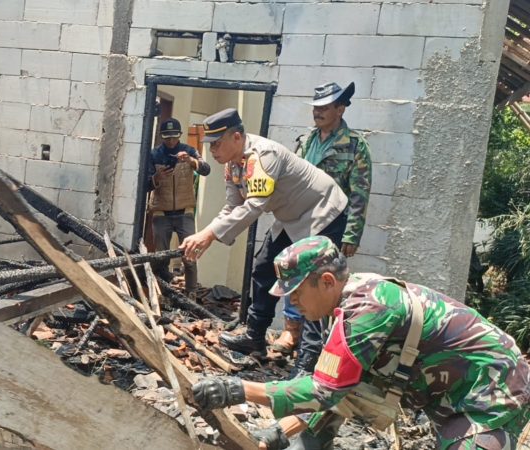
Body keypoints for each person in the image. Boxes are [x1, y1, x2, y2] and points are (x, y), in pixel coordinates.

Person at [192, 236, 530, 450]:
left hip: (490, 393)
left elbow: (324, 392)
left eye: (296, 294)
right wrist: (279, 433)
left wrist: (237, 388)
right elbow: (341, 390)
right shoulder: (339, 310)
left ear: (326, 281)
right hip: (447, 396)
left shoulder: (370, 309)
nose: (292, 305)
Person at [178, 108, 348, 374]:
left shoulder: (262, 156)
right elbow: (232, 207)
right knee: (264, 267)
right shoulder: (233, 165)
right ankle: (254, 337)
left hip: (322, 212)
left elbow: (254, 207)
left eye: (217, 143)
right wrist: (206, 233)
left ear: (236, 137)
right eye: (210, 145)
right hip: (291, 216)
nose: (212, 151)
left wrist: (209, 235)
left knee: (310, 282)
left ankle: (308, 360)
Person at [271, 82, 373, 357]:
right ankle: (292, 330)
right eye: (315, 108)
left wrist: (352, 234)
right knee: (292, 274)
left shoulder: (354, 146)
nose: (317, 113)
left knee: (318, 282)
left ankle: (315, 347)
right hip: (300, 220)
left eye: (324, 108)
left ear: (340, 109)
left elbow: (360, 194)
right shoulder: (306, 141)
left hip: (331, 223)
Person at [147, 118, 211, 294]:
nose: (170, 141)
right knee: (160, 259)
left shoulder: (189, 151)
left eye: (174, 137)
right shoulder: (154, 155)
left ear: (179, 136)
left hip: (185, 212)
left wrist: (190, 161)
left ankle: (191, 295)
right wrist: (156, 178)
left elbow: (206, 169)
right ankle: (161, 295)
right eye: (167, 137)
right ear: (161, 136)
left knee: (190, 257)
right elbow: (144, 185)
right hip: (161, 212)